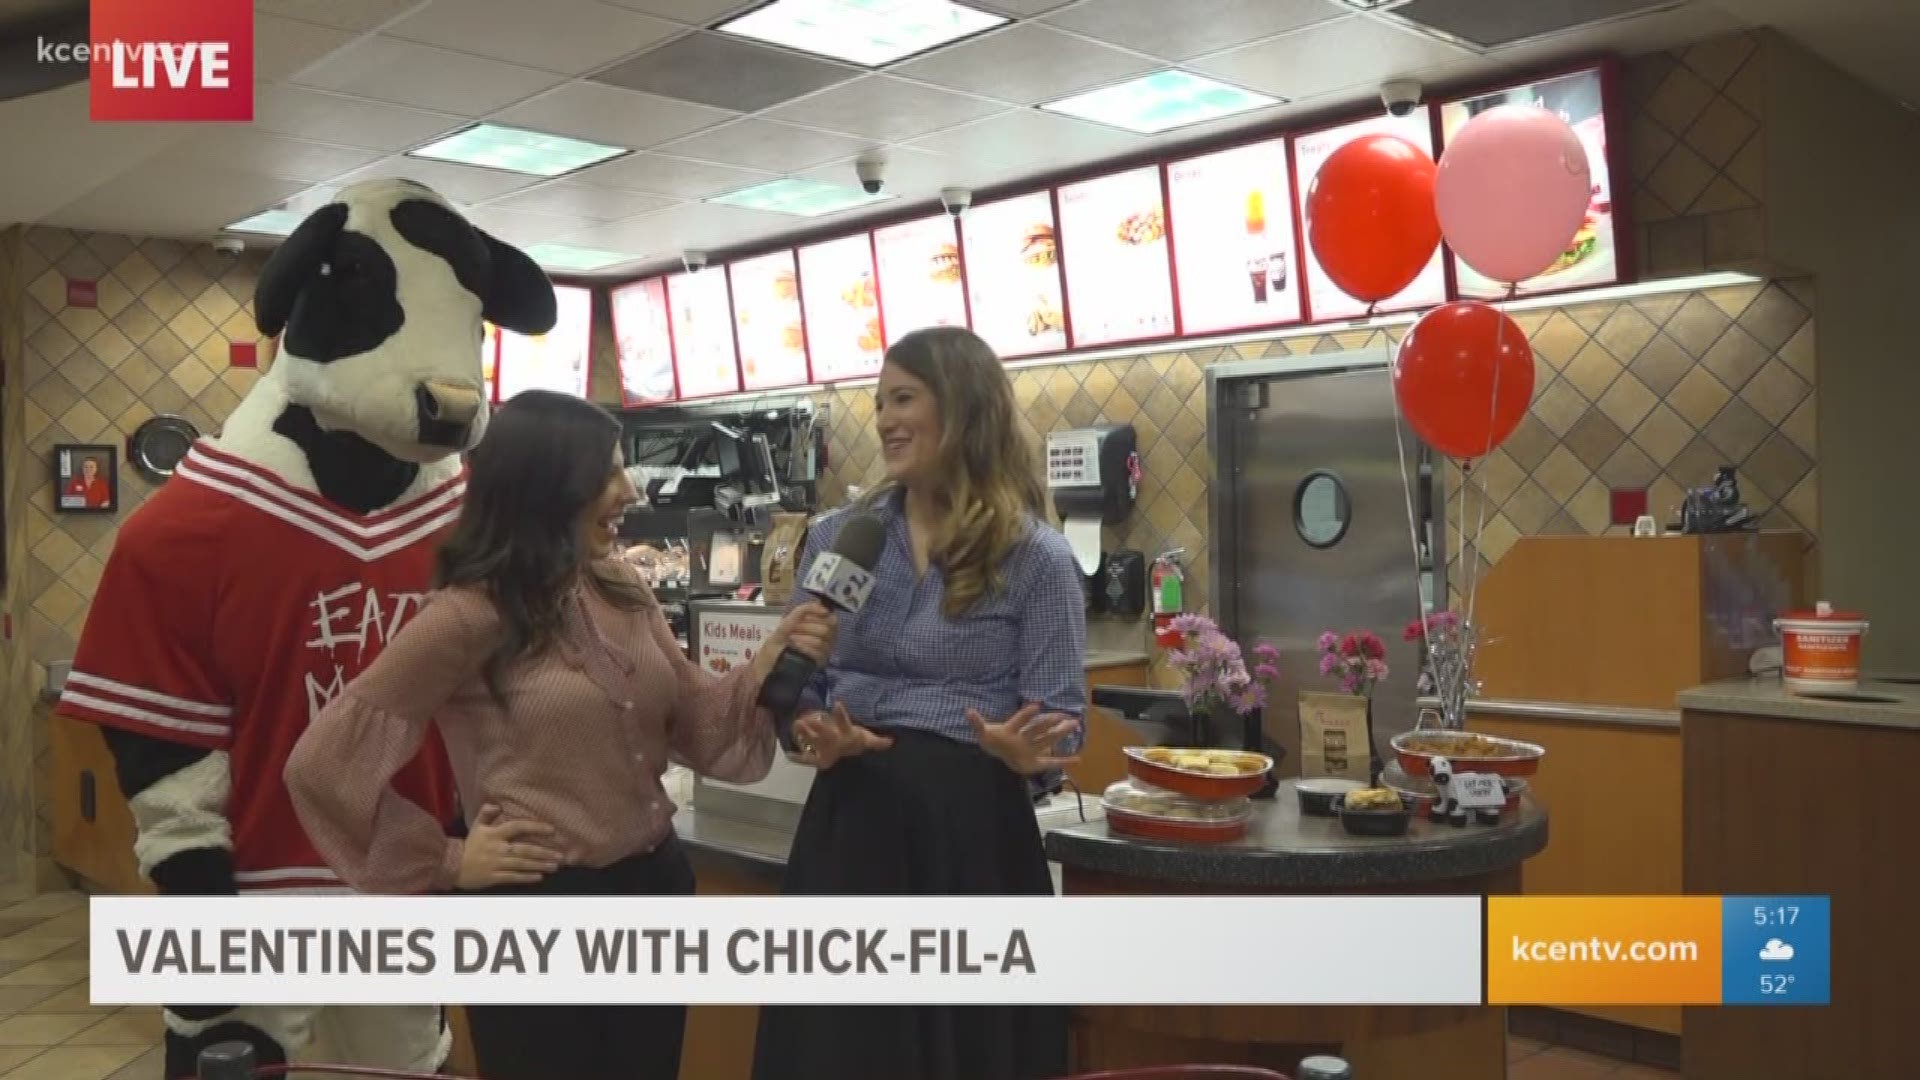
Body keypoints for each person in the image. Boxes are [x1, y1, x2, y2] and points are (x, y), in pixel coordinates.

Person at [284, 389, 837, 1080]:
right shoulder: (465, 617)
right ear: (544, 487)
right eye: (605, 473)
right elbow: (323, 769)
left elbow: (699, 726)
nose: (629, 489)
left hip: (653, 893)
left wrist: (766, 659)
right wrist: (450, 861)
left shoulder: (621, 589)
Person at [751, 326, 1088, 1080]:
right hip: (849, 832)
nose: (885, 420)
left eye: (904, 398)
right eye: (879, 404)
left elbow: (1062, 721)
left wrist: (1027, 753)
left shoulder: (1037, 559)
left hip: (969, 839)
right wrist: (810, 731)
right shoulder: (843, 538)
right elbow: (800, 685)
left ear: (964, 409)